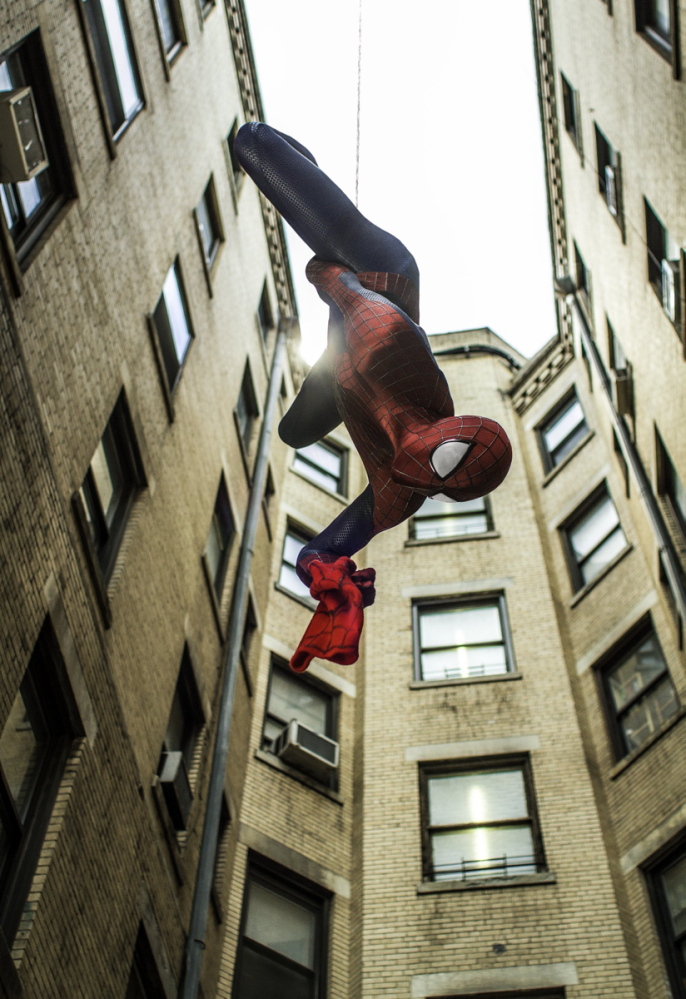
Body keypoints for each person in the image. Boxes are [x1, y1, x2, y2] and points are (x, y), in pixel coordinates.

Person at [234, 122, 512, 671]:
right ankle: (297, 161)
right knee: (253, 144)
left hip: (346, 379)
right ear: (449, 430)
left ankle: (306, 182)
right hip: (380, 277)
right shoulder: (393, 344)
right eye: (449, 458)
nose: (433, 474)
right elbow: (336, 281)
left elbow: (324, 547)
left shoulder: (397, 494)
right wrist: (332, 281)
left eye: (446, 484)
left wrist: (331, 583)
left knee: (293, 432)